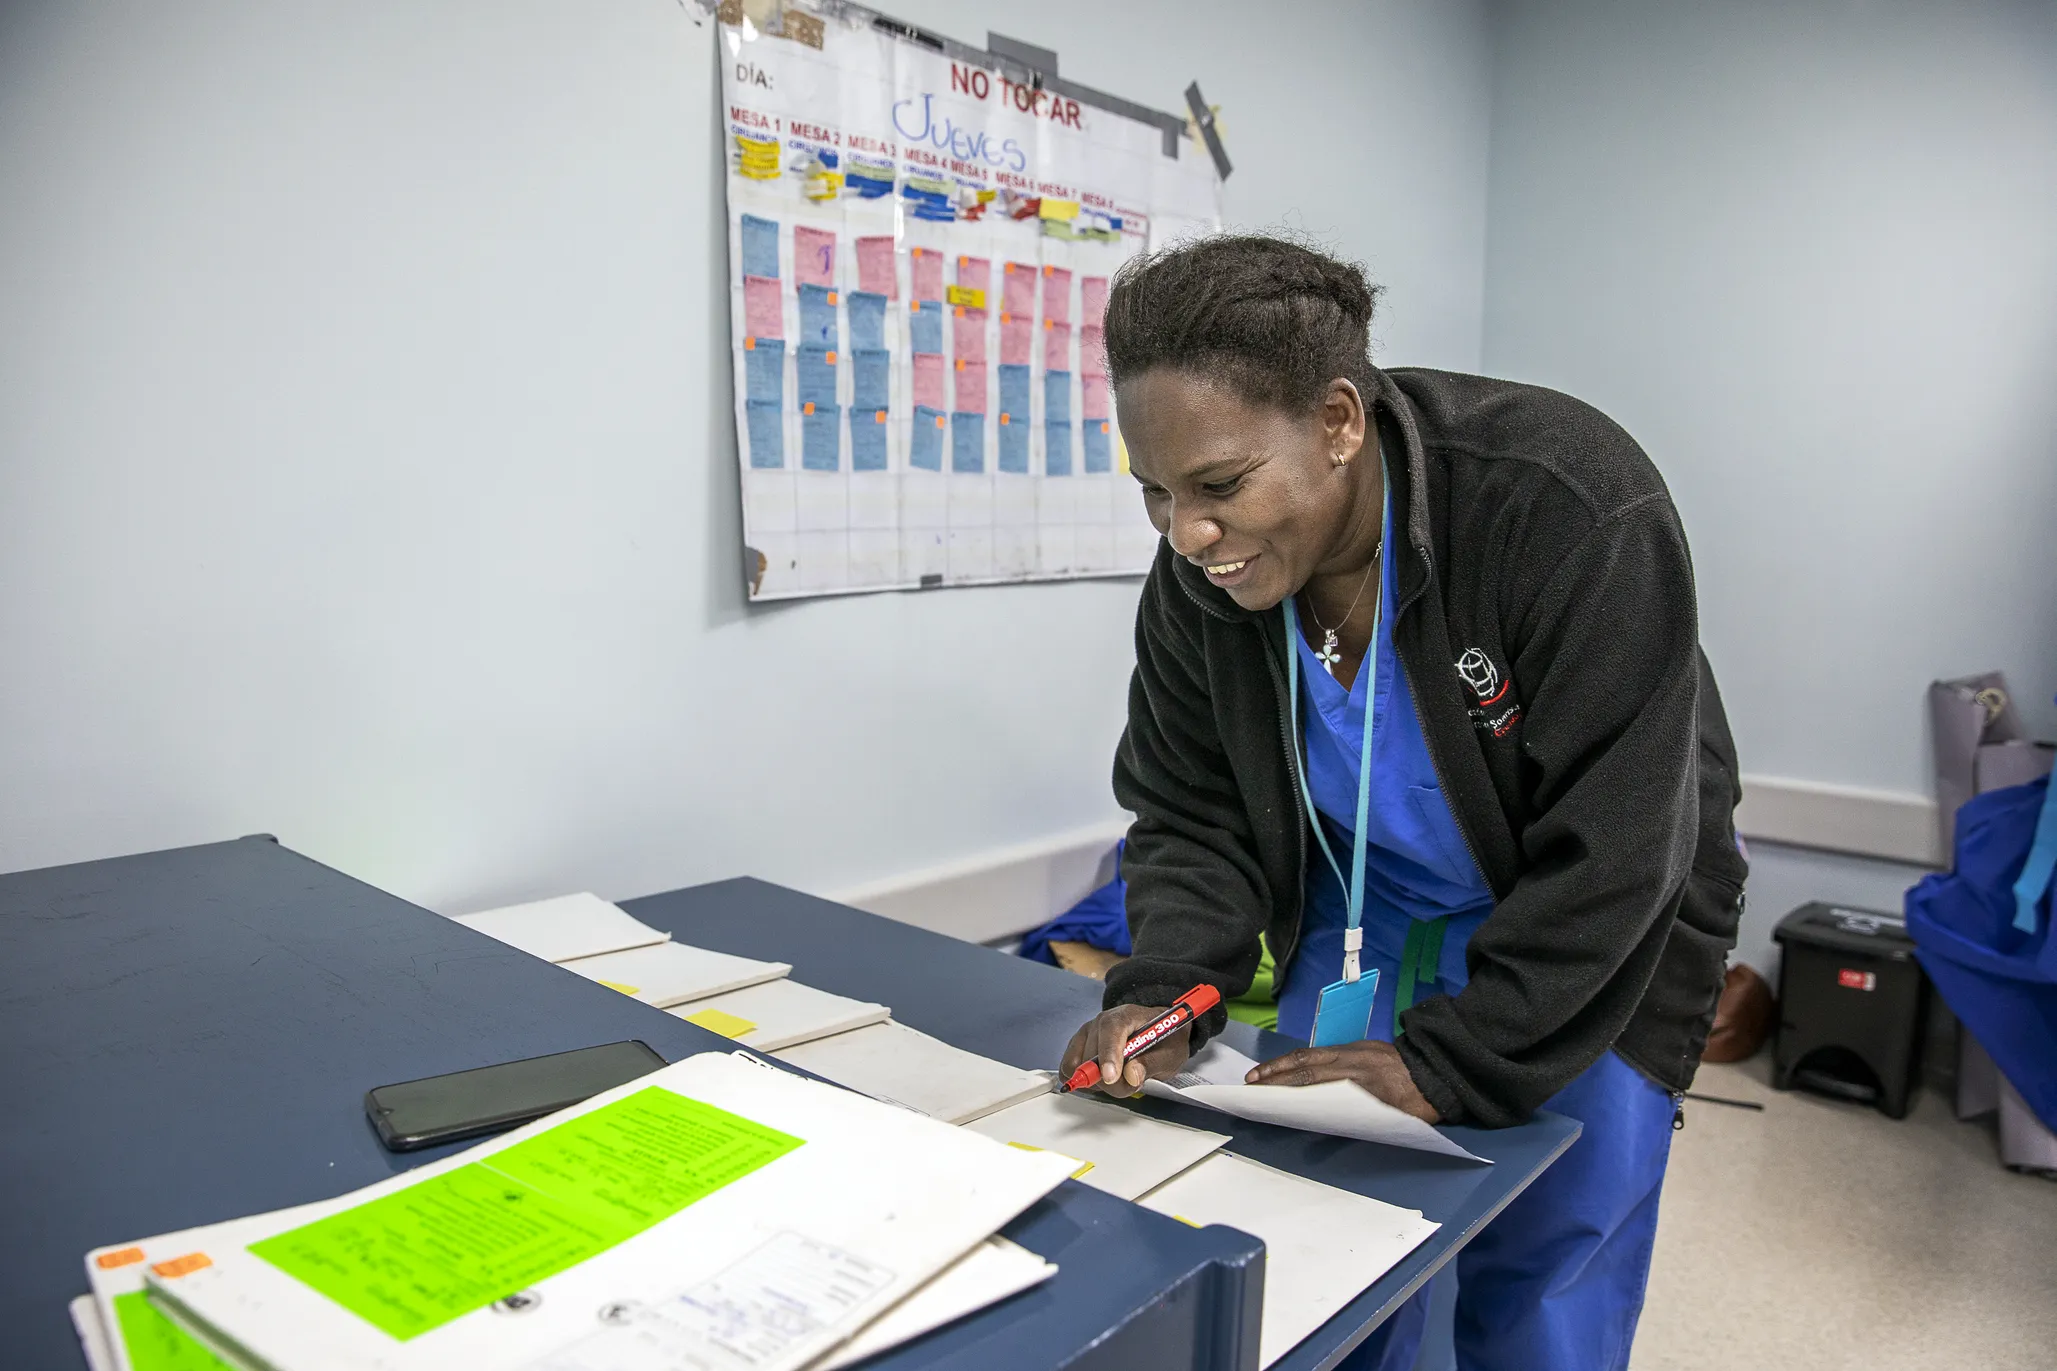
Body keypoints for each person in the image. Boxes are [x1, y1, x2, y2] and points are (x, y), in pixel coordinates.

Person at [1059, 235, 1748, 1371]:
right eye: (1155, 493)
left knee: (1540, 1267)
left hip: (1595, 916)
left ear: (1337, 422)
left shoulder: (1565, 506)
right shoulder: (1201, 575)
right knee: (1329, 1233)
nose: (1185, 534)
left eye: (1219, 485)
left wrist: (1457, 1061)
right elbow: (1189, 810)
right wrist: (1170, 989)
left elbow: (1622, 843)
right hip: (1362, 902)